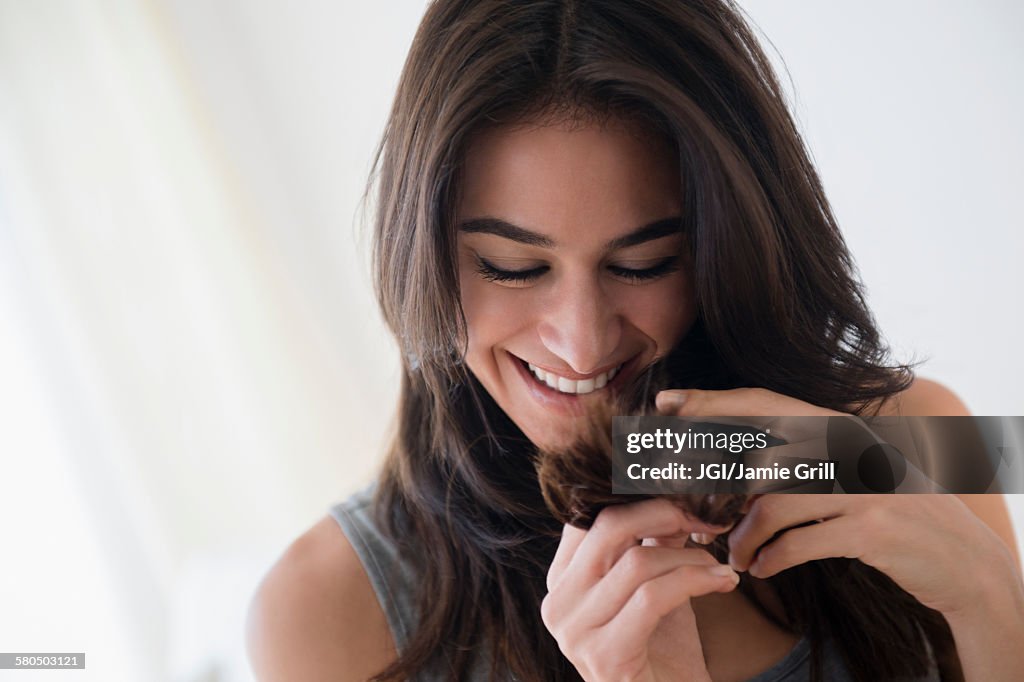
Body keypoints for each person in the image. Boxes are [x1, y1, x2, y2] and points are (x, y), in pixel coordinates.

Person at [245, 1, 1024, 680]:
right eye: (512, 267)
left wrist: (993, 603)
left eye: (643, 263)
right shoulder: (325, 610)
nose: (581, 344)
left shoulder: (913, 440)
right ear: (419, 248)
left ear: (731, 245)